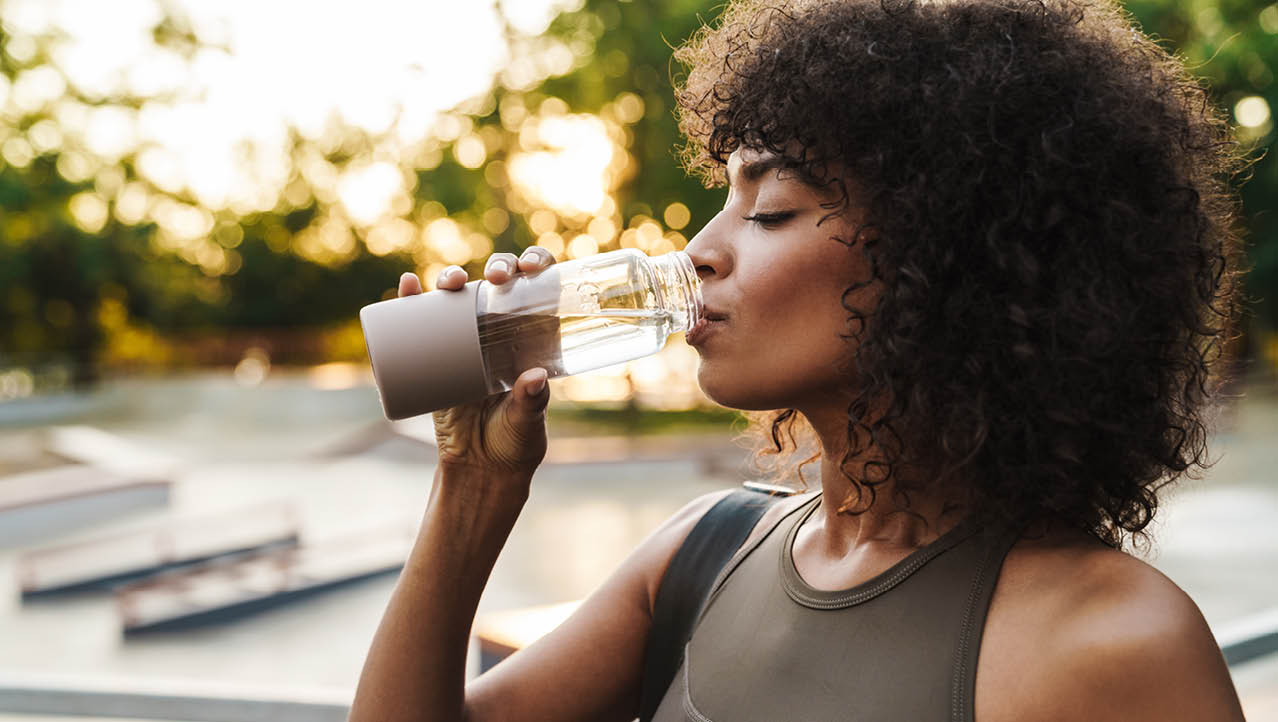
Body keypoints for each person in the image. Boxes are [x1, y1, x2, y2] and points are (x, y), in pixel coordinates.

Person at [349, 0, 1249, 719]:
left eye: (770, 207)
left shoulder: (1114, 647)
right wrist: (471, 486)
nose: (700, 250)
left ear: (948, 259)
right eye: (721, 200)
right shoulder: (701, 556)